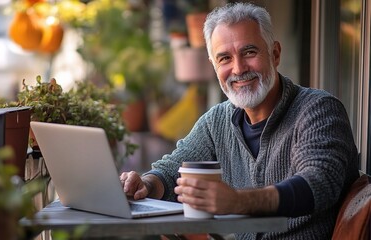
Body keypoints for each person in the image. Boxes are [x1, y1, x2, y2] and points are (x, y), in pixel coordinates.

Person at [120, 2, 359, 239]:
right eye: (224, 58)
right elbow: (173, 171)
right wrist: (147, 185)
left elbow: (318, 184)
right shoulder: (217, 121)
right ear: (214, 66)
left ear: (274, 54)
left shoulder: (318, 110)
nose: (238, 69)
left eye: (249, 52)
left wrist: (237, 201)